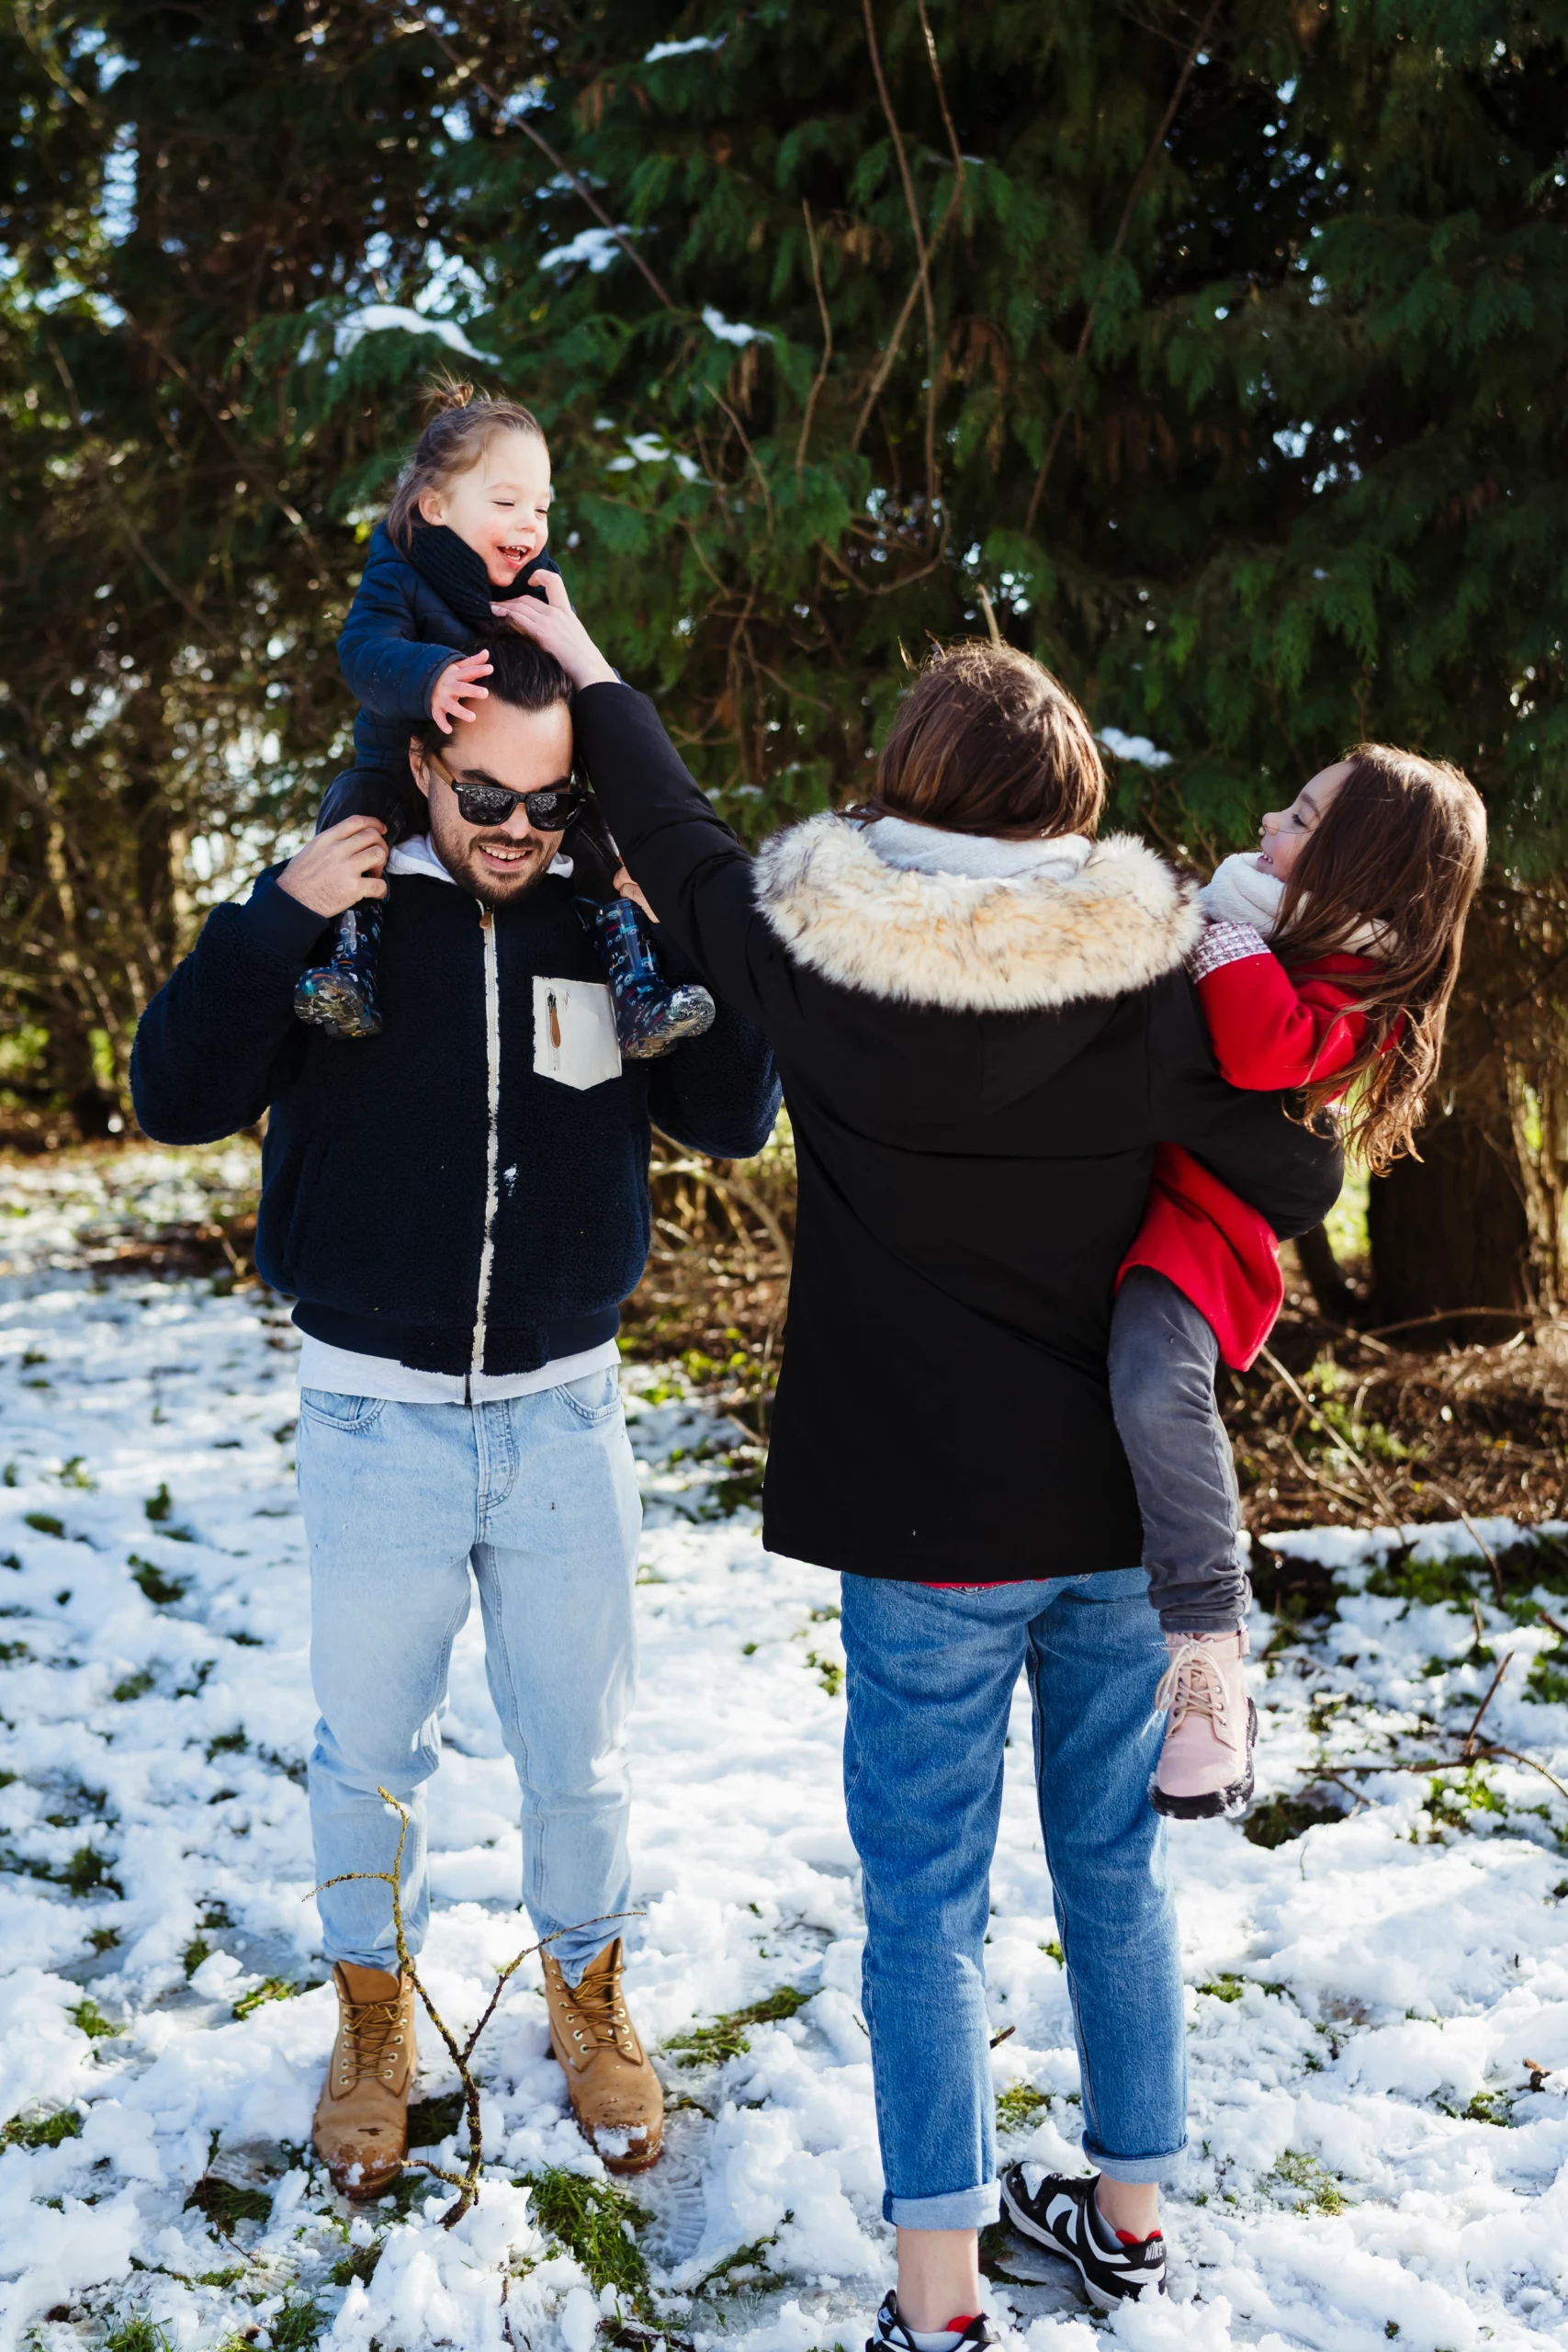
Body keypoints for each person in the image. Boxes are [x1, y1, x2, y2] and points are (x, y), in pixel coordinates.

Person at [505, 585, 1343, 2322]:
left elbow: (674, 831)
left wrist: (589, 666)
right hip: (1115, 1520)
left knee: (922, 1907)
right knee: (1111, 1868)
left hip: (920, 1536)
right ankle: (1123, 2218)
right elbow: (1299, 1182)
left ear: (899, 791)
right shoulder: (1157, 994)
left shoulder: (818, 967)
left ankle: (942, 2291)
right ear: (1075, 815)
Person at [130, 630, 780, 2198]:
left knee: (581, 1752)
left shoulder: (593, 925)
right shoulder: (338, 919)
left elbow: (733, 1117)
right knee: (368, 1753)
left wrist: (687, 940)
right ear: (423, 762)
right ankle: (368, 2020)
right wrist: (275, 911)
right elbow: (171, 1093)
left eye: (552, 806)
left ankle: (589, 1997)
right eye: (484, 794)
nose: (514, 830)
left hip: (563, 1414)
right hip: (374, 1419)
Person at [1112, 745, 1487, 1819]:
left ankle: (1209, 1645)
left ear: (1363, 865)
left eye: (1306, 816)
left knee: (1153, 1379)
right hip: (1105, 1195)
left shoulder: (1356, 992)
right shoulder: (1249, 922)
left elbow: (1260, 1049)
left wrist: (1223, 934)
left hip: (1189, 1234)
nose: (1271, 819)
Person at [295, 382, 712, 1057]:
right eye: (506, 503)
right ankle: (350, 963)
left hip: (521, 775)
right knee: (351, 821)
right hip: (397, 766)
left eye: (542, 507)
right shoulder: (398, 570)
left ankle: (638, 989)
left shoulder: (533, 585)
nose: (530, 524)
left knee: (600, 844)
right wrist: (426, 674)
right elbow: (362, 651)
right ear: (435, 507)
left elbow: (569, 692)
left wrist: (574, 645)